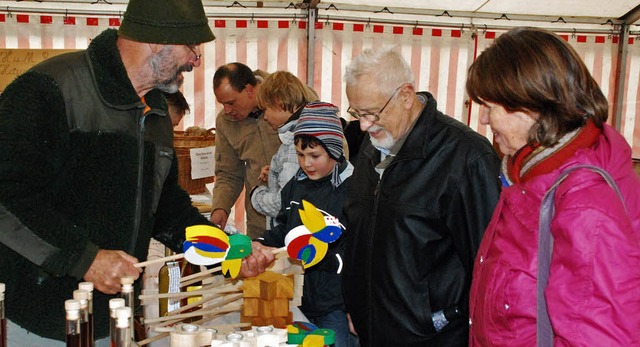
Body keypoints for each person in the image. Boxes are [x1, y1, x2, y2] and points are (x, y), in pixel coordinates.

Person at [0, 0, 218, 344]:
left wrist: (225, 251)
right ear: (156, 39)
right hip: (38, 321)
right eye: (192, 45)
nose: (197, 58)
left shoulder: (157, 113)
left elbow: (164, 208)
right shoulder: (49, 89)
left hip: (113, 320)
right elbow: (7, 196)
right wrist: (85, 259)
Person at [466, 27, 640, 346]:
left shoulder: (582, 201)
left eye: (490, 106)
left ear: (532, 105)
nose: (484, 120)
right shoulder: (531, 177)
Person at [341, 47, 502, 346]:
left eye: (371, 113)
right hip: (372, 331)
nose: (363, 125)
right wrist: (356, 304)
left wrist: (443, 317)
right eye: (356, 113)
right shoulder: (373, 144)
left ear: (405, 95)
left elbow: (490, 264)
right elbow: (360, 229)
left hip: (434, 337)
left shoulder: (465, 157)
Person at [254, 101, 358, 346]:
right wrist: (259, 243)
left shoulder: (351, 191)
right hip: (297, 299)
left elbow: (356, 249)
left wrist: (321, 257)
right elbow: (285, 229)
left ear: (334, 151)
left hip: (334, 305)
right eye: (301, 155)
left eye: (314, 156)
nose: (306, 163)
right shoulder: (296, 185)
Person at [210, 63, 281, 239]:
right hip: (259, 224)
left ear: (249, 90)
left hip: (298, 220)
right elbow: (228, 173)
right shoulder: (225, 122)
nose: (227, 111)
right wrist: (221, 208)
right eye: (222, 104)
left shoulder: (288, 98)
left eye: (231, 103)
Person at [250, 71, 319, 229]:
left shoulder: (295, 143)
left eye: (265, 109)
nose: (265, 117)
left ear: (278, 102)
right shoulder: (309, 131)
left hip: (293, 233)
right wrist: (275, 174)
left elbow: (284, 203)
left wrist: (256, 194)